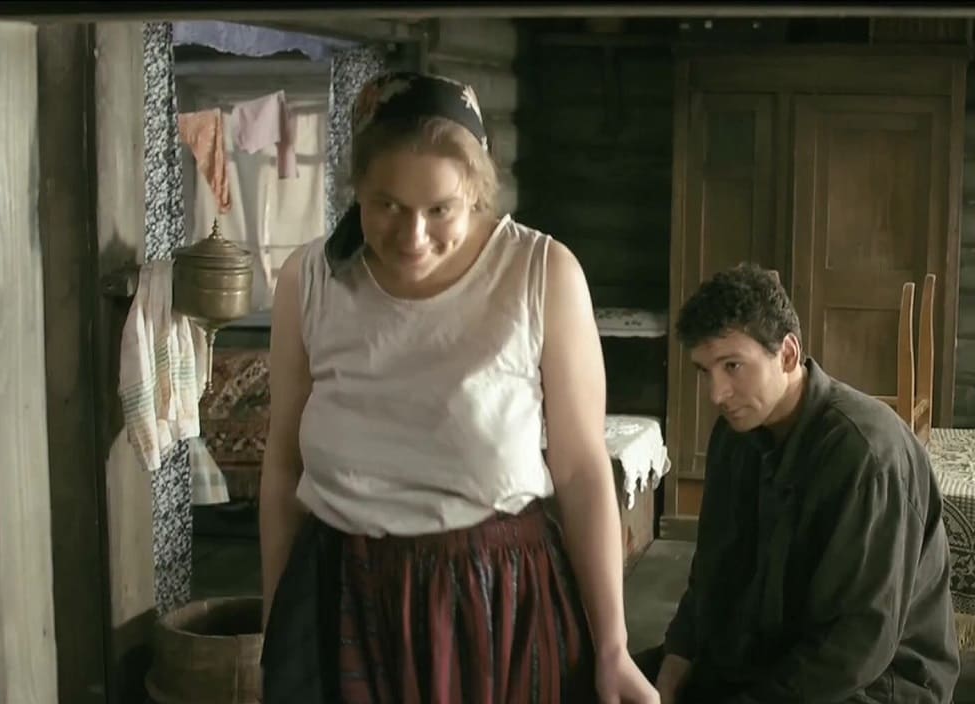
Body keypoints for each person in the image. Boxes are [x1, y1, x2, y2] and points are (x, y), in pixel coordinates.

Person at [257, 71, 658, 704]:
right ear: (357, 189)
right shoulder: (308, 280)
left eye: (439, 209)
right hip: (341, 596)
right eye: (387, 205)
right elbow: (283, 467)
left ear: (476, 191)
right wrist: (276, 631)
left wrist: (612, 647)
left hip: (495, 600)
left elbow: (582, 471)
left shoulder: (540, 273)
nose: (413, 236)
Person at [634, 263, 960, 703]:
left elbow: (854, 644)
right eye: (705, 371)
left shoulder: (865, 453)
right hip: (763, 654)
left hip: (871, 684)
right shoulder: (734, 434)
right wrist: (675, 662)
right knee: (604, 684)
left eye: (733, 366)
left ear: (787, 354)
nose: (717, 394)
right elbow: (712, 574)